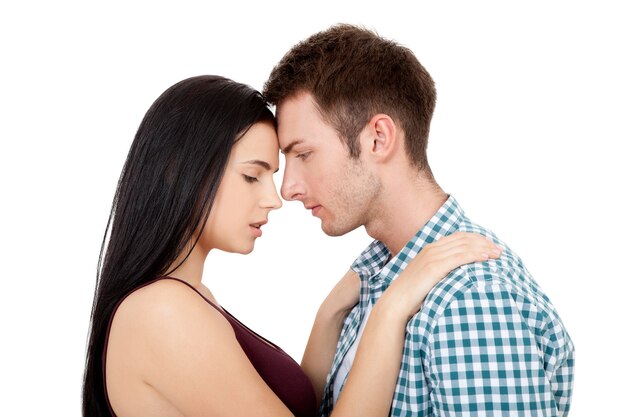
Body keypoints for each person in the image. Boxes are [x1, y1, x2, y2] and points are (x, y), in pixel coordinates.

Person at [82, 75, 502, 417]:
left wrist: (331, 312)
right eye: (253, 175)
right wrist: (391, 310)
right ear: (179, 171)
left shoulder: (186, 299)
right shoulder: (161, 312)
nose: (275, 197)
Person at [263, 24, 575, 417]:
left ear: (378, 138)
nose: (288, 188)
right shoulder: (376, 276)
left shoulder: (468, 300)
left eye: (304, 154)